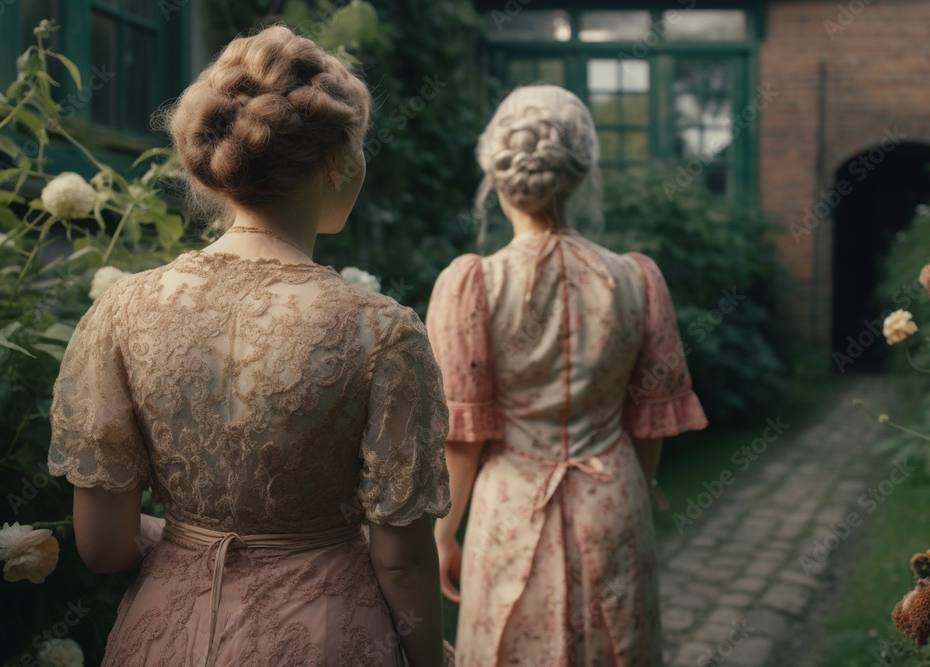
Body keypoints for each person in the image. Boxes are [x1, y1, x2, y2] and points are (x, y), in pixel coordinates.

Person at [48, 25, 453, 667]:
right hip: (324, 635)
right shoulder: (382, 332)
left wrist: (189, 541)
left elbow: (103, 547)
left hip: (168, 636)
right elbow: (401, 560)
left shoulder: (122, 310)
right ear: (333, 163)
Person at [426, 85, 709, 666]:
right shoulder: (636, 279)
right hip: (614, 503)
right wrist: (643, 486)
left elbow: (464, 434)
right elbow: (648, 423)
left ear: (496, 174)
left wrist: (443, 531)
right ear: (582, 174)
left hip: (510, 513)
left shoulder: (473, 285)